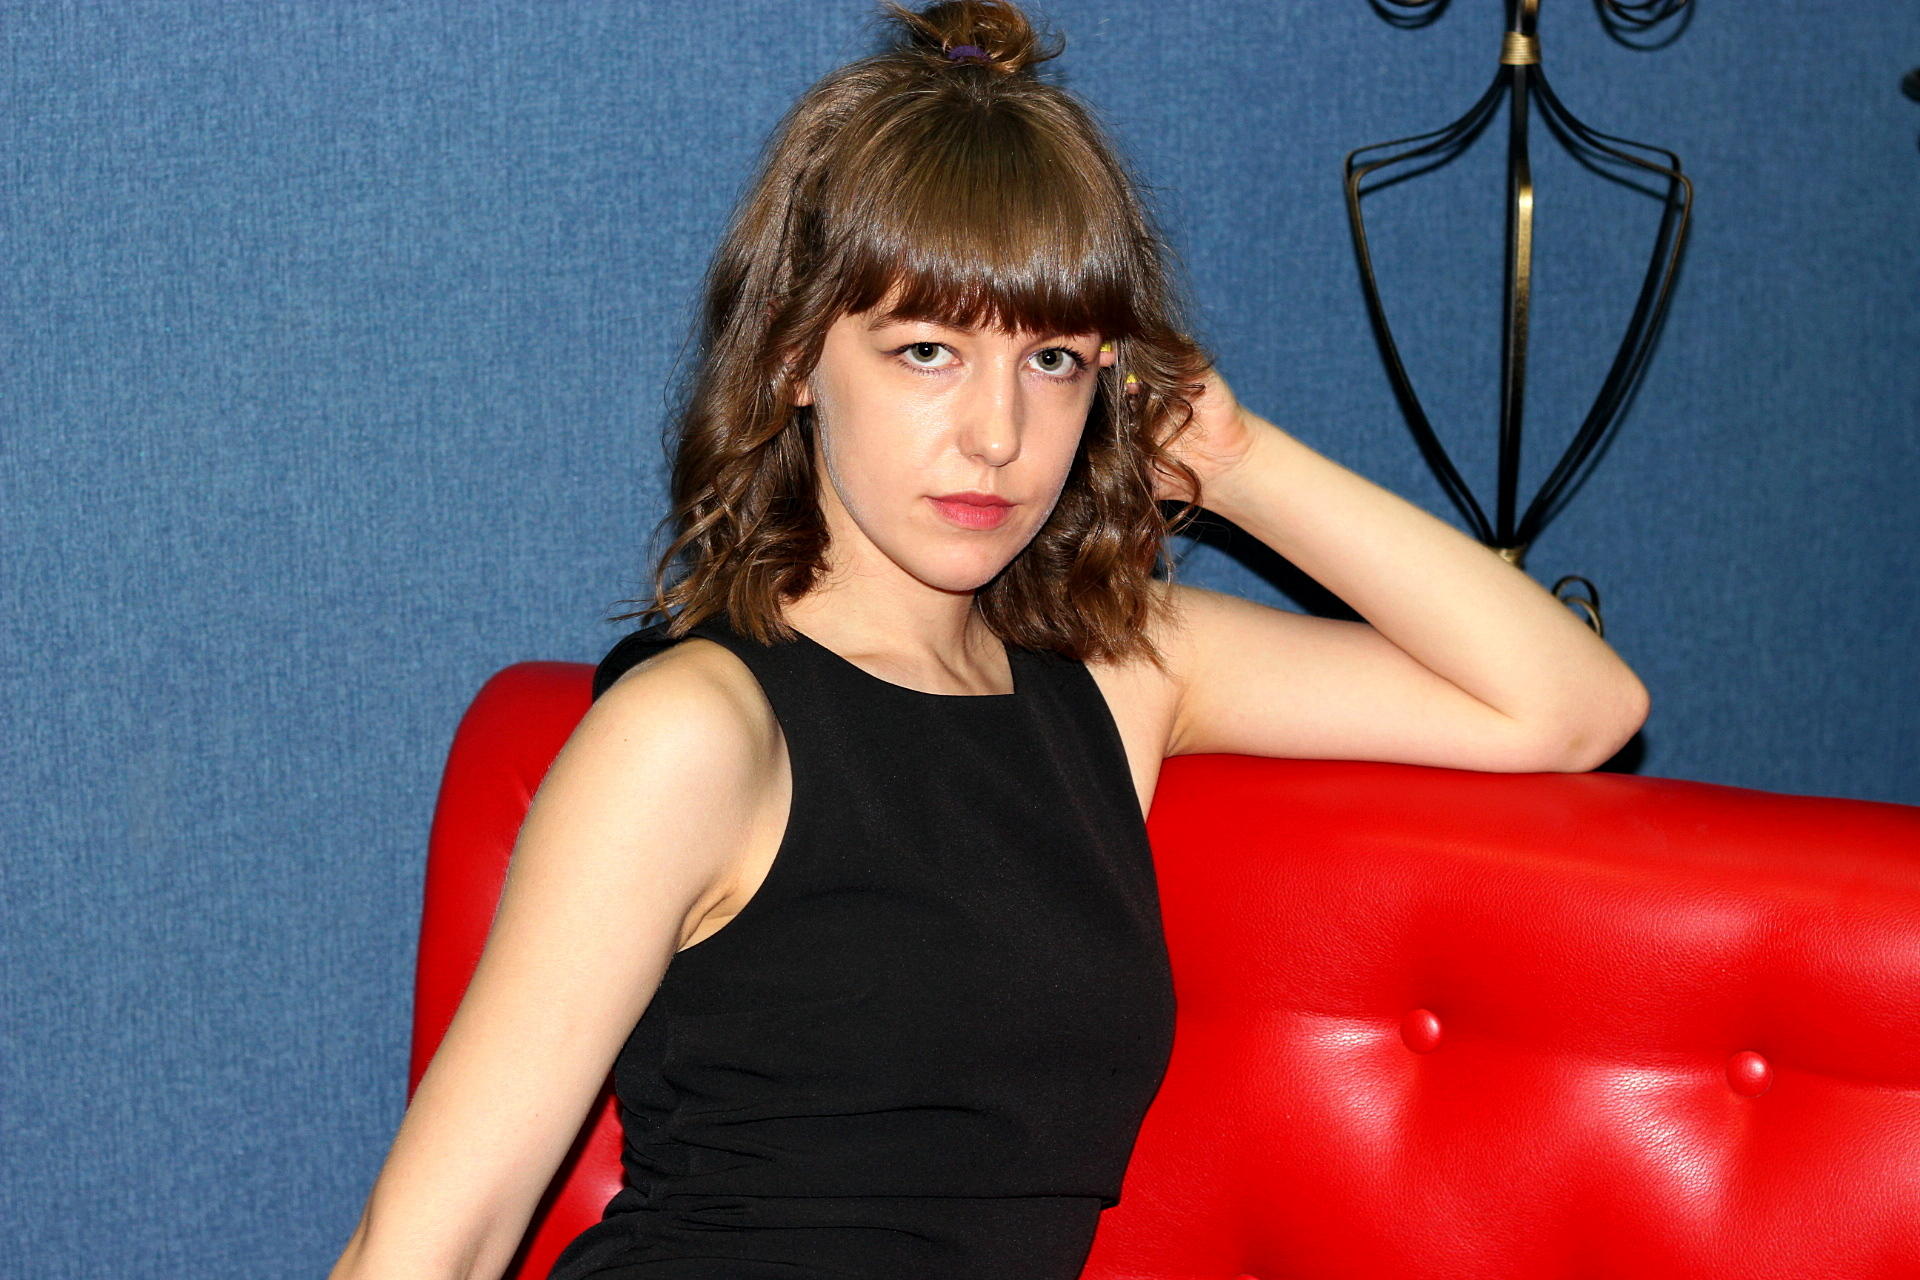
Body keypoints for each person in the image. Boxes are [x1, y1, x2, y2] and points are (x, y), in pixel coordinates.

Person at [330, 1, 1650, 1277]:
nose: (997, 436)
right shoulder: (693, 732)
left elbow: (1570, 706)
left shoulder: (1117, 675)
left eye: (1054, 359)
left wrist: (1239, 463)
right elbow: (430, 1242)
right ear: (794, 359)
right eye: (926, 352)